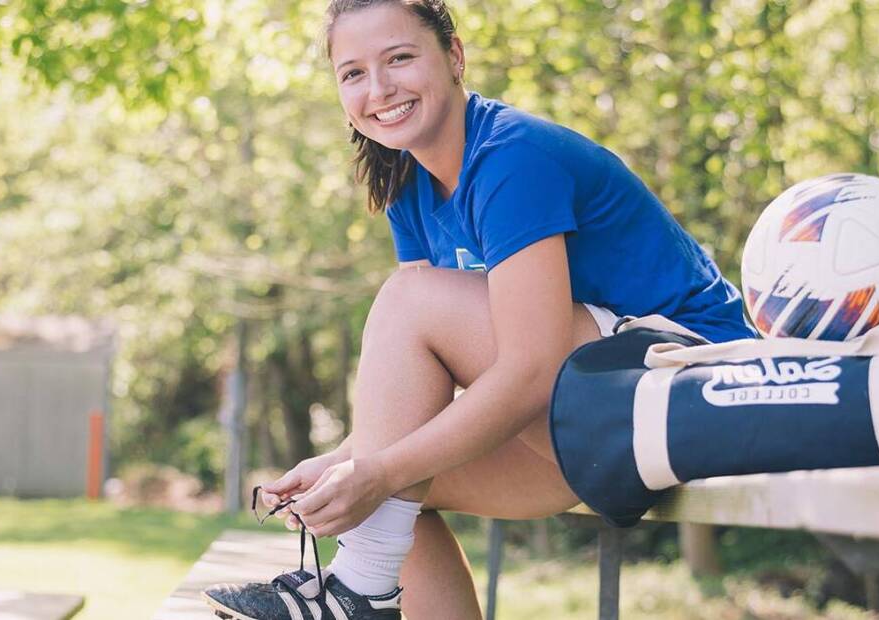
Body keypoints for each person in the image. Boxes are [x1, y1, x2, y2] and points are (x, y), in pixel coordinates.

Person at [203, 1, 755, 618]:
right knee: (394, 495)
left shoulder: (512, 157)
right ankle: (362, 591)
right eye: (352, 73)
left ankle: (356, 592)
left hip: (685, 392)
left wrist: (376, 468)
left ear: (455, 57)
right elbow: (415, 386)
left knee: (393, 433)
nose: (378, 88)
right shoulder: (408, 187)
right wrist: (348, 462)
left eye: (400, 58)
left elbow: (530, 370)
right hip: (589, 416)